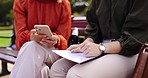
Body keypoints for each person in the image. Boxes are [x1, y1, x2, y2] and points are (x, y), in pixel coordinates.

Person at [49, 0, 148, 78]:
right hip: (101, 48)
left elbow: (134, 38)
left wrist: (101, 48)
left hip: (131, 53)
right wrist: (87, 43)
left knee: (76, 74)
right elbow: (93, 25)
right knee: (57, 69)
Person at [10, 0, 71, 78]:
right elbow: (19, 37)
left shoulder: (63, 4)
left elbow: (64, 39)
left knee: (32, 47)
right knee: (41, 68)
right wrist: (30, 36)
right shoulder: (21, 2)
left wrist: (56, 39)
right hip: (28, 50)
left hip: (54, 51)